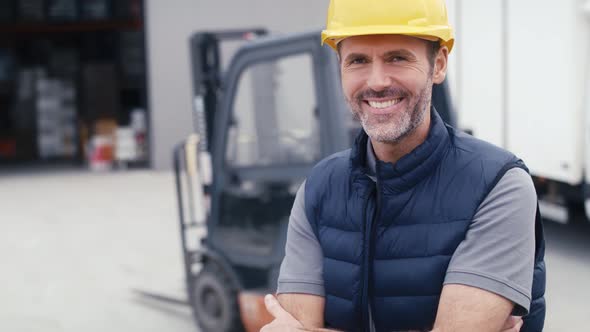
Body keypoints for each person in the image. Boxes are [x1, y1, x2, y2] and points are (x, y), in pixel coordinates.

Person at [261, 0, 546, 331]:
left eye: (397, 57)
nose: (378, 81)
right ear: (340, 68)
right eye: (358, 61)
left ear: (438, 65)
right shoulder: (319, 188)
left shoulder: (498, 185)